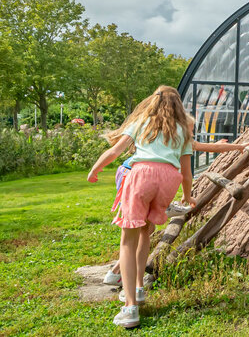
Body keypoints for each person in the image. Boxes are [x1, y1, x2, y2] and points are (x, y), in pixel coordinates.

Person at [88, 86, 197, 329]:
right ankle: (138, 289)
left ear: (153, 102)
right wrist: (187, 196)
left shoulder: (142, 122)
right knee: (145, 233)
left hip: (142, 176)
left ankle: (130, 308)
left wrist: (95, 169)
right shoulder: (183, 130)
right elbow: (187, 173)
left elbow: (115, 151)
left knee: (127, 240)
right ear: (178, 105)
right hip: (169, 180)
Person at [101, 136, 249, 289]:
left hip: (130, 173)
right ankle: (117, 273)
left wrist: (235, 146)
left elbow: (210, 147)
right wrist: (239, 146)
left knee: (146, 228)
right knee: (138, 229)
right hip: (137, 178)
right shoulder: (178, 137)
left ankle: (117, 272)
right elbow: (208, 149)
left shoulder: (164, 135)